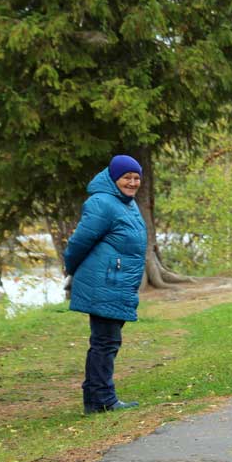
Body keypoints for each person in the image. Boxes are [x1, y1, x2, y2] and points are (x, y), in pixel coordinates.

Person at [64, 155, 148, 414]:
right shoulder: (102, 202)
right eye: (127, 177)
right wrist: (71, 270)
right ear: (114, 178)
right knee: (105, 342)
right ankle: (103, 400)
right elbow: (79, 242)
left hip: (117, 281)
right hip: (105, 282)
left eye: (136, 178)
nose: (132, 182)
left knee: (106, 341)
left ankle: (96, 400)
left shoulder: (126, 203)